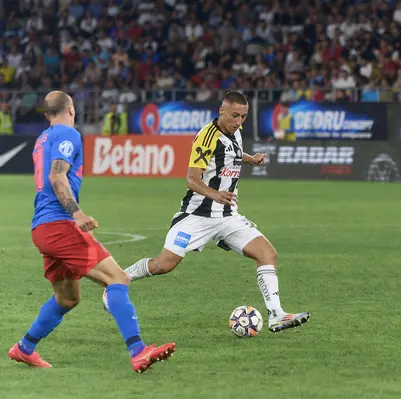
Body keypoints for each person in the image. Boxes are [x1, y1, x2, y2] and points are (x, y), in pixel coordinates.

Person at [9, 91, 175, 373]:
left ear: (47, 113)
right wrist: (77, 214)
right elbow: (57, 176)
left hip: (42, 228)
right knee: (117, 278)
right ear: (71, 109)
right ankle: (138, 351)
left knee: (67, 298)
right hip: (60, 224)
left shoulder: (41, 139)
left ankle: (24, 348)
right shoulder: (68, 134)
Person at [119, 91, 310, 333]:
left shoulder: (236, 132)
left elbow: (233, 154)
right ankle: (119, 279)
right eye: (234, 116)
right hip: (197, 215)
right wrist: (215, 194)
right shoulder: (206, 137)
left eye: (243, 116)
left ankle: (276, 315)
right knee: (164, 265)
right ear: (221, 111)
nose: (239, 121)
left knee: (267, 254)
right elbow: (191, 179)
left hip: (227, 216)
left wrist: (251, 160)